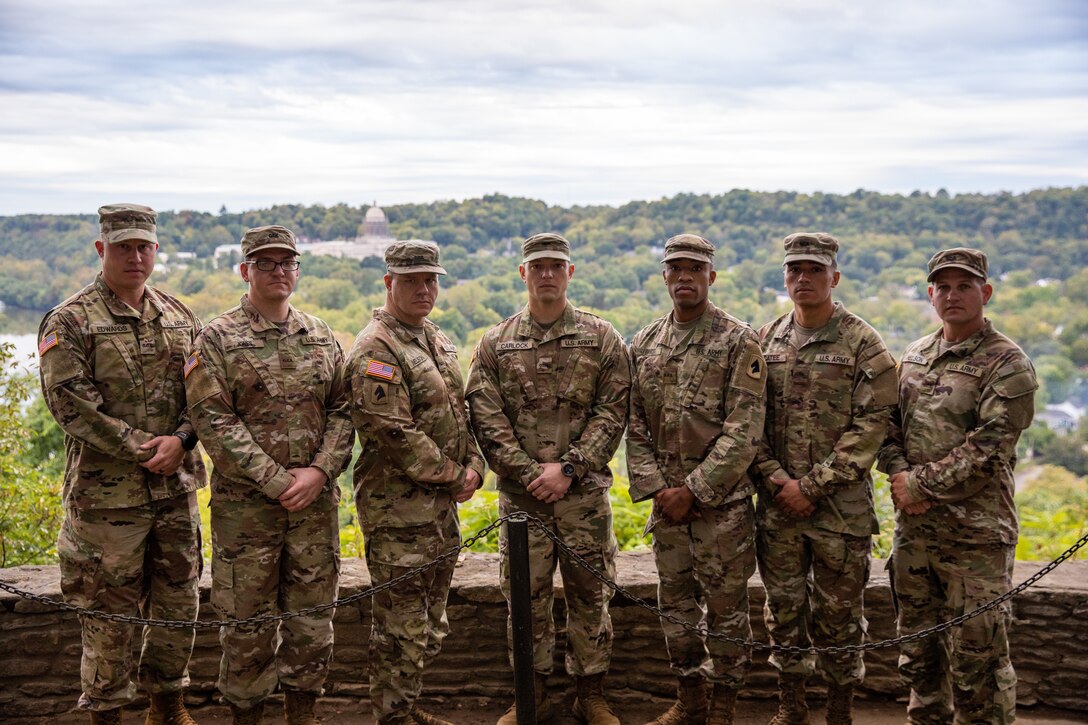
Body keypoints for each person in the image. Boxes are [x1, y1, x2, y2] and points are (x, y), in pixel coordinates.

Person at [37, 203, 206, 725]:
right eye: (123, 246)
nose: (135, 256)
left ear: (155, 249)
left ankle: (168, 707)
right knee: (110, 618)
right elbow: (72, 407)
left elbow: (205, 394)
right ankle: (106, 716)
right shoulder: (70, 320)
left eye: (144, 246)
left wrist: (180, 439)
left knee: (180, 606)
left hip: (174, 492)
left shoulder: (179, 316)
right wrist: (146, 448)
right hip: (106, 501)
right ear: (101, 249)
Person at [184, 225, 354, 725]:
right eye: (265, 263)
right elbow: (213, 421)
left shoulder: (321, 335)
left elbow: (344, 411)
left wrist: (321, 471)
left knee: (312, 626)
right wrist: (278, 480)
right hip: (247, 514)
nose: (278, 271)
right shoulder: (216, 338)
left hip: (314, 510)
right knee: (245, 628)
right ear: (246, 271)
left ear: (297, 270)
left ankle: (301, 716)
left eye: (287, 263)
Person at [466, 232, 631, 725]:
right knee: (524, 599)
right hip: (522, 501)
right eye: (537, 266)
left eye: (556, 266)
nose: (546, 274)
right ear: (523, 273)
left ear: (570, 272)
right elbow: (485, 417)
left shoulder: (602, 338)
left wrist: (570, 468)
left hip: (582, 497)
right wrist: (530, 473)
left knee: (591, 595)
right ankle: (529, 695)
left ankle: (590, 695)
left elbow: (613, 410)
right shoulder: (496, 342)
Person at [877, 247, 1037, 725]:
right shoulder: (915, 355)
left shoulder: (1007, 364)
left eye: (964, 285)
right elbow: (888, 428)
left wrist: (917, 486)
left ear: (984, 293)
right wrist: (898, 473)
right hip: (917, 536)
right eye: (943, 286)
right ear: (930, 295)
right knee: (919, 657)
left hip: (976, 539)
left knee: (978, 665)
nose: (953, 295)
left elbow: (989, 446)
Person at [751, 233, 897, 725]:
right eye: (795, 270)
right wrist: (776, 480)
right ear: (785, 277)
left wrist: (810, 486)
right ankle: (791, 708)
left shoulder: (863, 341)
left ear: (834, 277)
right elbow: (747, 420)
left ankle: (839, 712)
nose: (804, 278)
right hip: (778, 507)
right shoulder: (765, 340)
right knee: (784, 611)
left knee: (840, 618)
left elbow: (873, 424)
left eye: (814, 270)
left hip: (840, 510)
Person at [626, 234, 768, 725]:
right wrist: (661, 489)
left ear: (711, 275)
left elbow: (745, 429)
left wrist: (696, 490)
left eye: (694, 268)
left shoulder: (737, 340)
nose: (684, 277)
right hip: (666, 507)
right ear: (664, 276)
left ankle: (724, 708)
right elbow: (635, 425)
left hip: (721, 508)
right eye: (676, 269)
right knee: (676, 609)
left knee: (727, 613)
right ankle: (690, 701)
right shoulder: (644, 343)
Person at [346, 241, 485, 725]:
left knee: (429, 623)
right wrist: (455, 475)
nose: (424, 289)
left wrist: (476, 466)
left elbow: (460, 411)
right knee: (400, 626)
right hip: (398, 511)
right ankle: (393, 715)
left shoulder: (433, 337)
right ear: (389, 283)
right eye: (411, 280)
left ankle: (405, 707)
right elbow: (393, 432)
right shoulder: (376, 347)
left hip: (439, 511)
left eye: (431, 279)